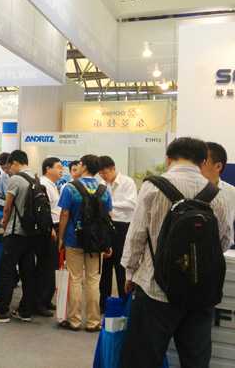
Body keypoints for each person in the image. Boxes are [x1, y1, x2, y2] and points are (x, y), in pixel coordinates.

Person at [120, 137, 232, 368]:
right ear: (203, 161)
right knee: (196, 359)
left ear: (169, 159)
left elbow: (137, 235)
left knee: (143, 358)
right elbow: (223, 241)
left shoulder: (153, 187)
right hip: (200, 292)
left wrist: (129, 272)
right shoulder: (218, 193)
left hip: (154, 287)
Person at [0, 150, 39, 323]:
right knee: (28, 272)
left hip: (15, 233)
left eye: (9, 166)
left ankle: (1, 311)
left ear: (14, 163)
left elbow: (7, 207)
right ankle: (25, 311)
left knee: (6, 271)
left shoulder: (16, 179)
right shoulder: (35, 178)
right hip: (31, 233)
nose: (8, 171)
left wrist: (4, 223)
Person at [58, 154, 112, 332]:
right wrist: (107, 242)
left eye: (80, 164)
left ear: (84, 166)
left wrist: (61, 238)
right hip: (96, 242)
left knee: (75, 279)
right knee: (93, 280)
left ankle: (74, 320)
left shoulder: (70, 187)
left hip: (74, 238)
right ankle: (93, 322)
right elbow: (107, 216)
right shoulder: (104, 189)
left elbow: (64, 214)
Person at [97, 156, 137, 312]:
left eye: (105, 172)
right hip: (106, 227)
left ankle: (124, 303)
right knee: (105, 268)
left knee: (121, 267)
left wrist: (110, 205)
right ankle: (104, 304)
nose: (103, 176)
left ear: (113, 168)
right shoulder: (102, 184)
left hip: (122, 228)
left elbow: (132, 204)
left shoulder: (127, 182)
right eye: (100, 173)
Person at [38, 157, 64, 311]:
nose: (62, 170)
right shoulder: (43, 184)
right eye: (58, 167)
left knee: (53, 265)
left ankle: (46, 299)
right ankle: (40, 302)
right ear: (48, 169)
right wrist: (50, 228)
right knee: (46, 265)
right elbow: (44, 210)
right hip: (49, 228)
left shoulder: (52, 185)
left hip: (55, 226)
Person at [202, 142, 235, 247]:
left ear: (218, 166)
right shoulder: (188, 189)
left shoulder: (231, 192)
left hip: (222, 251)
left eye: (203, 161)